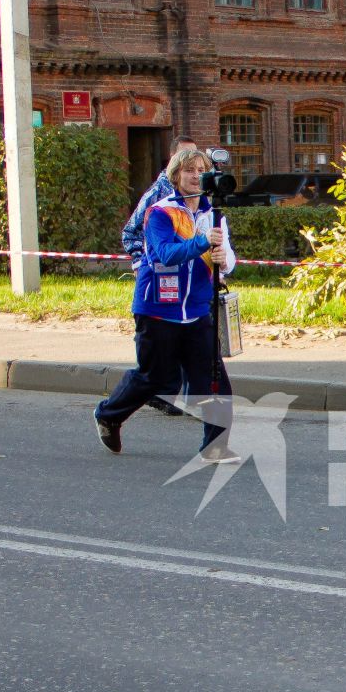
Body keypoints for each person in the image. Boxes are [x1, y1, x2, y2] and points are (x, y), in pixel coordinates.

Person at [94, 146, 238, 463]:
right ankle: (109, 415)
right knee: (155, 377)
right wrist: (203, 242)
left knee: (213, 379)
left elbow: (228, 260)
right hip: (158, 307)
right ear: (176, 175)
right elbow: (164, 254)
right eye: (189, 170)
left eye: (201, 170)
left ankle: (215, 445)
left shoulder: (213, 215)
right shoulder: (160, 212)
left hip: (198, 309)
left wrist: (223, 259)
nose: (196, 176)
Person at [122, 137, 203, 418]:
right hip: (160, 284)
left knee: (195, 344)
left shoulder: (202, 198)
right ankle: (145, 398)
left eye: (198, 165)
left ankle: (192, 399)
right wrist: (138, 263)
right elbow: (131, 231)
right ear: (172, 163)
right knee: (158, 354)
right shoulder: (159, 195)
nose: (193, 172)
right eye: (185, 163)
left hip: (190, 288)